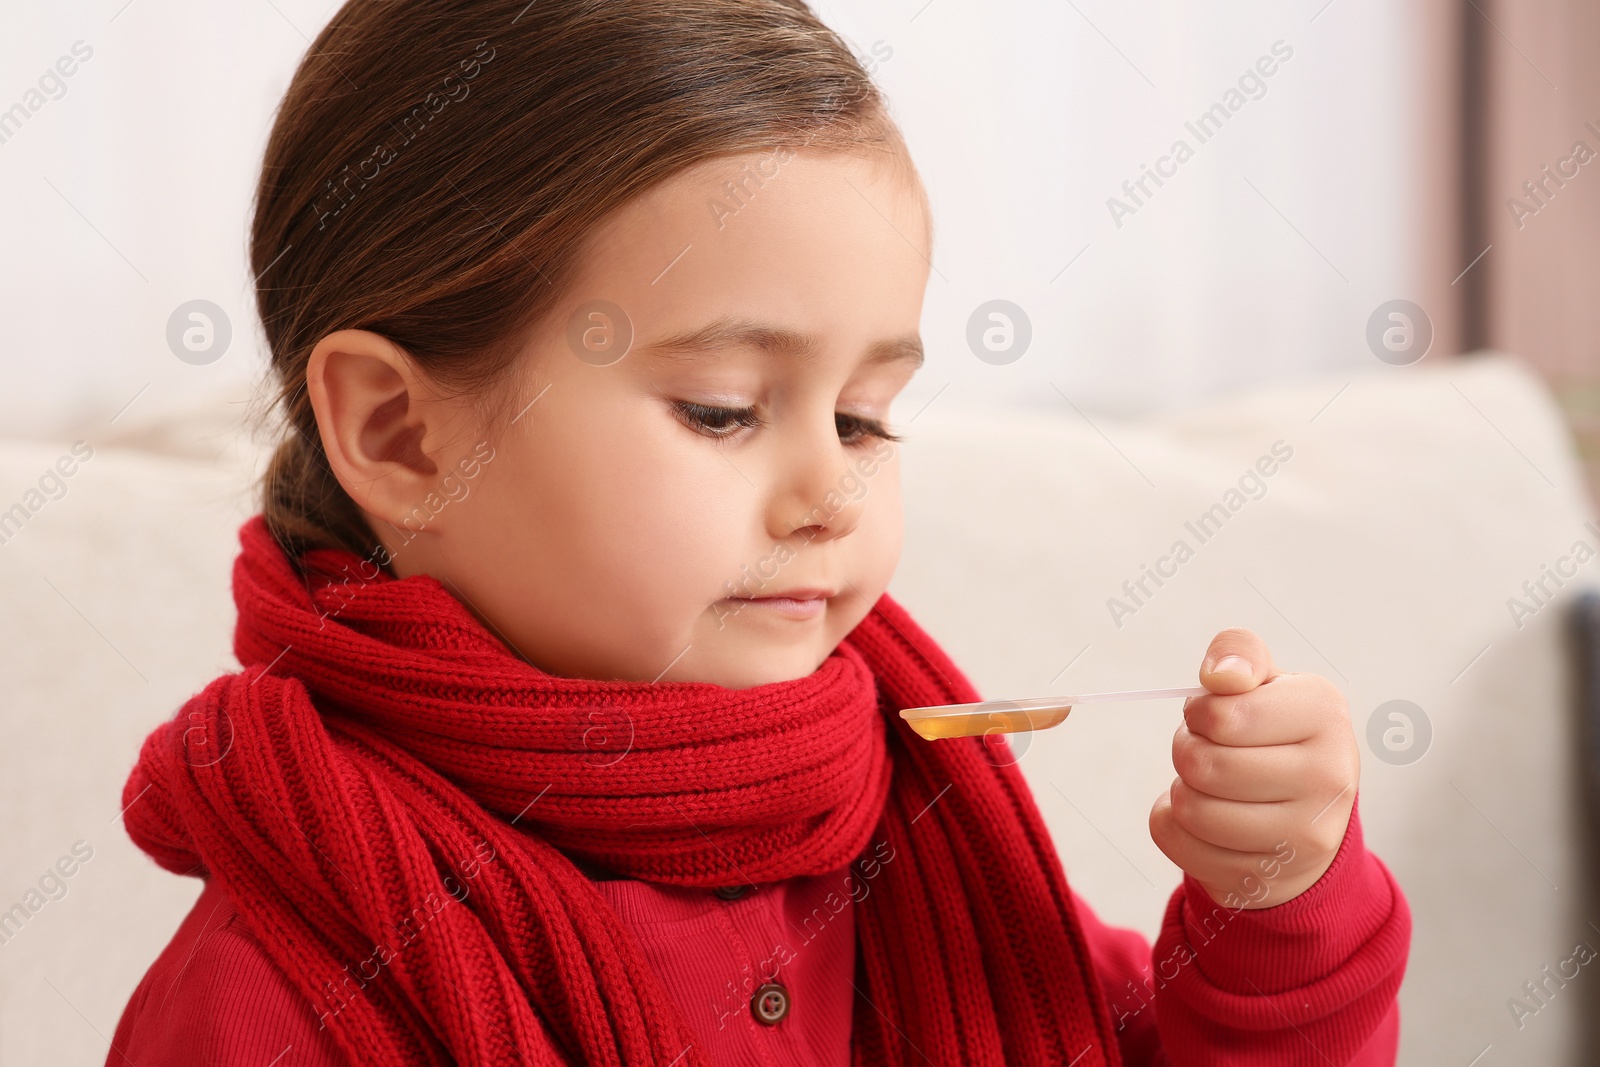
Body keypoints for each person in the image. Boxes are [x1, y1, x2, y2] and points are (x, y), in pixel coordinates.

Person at [107, 1, 1410, 1063]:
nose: (831, 497)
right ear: (399, 435)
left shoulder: (924, 838)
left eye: (862, 420)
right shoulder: (274, 999)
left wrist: (1276, 903)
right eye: (724, 411)